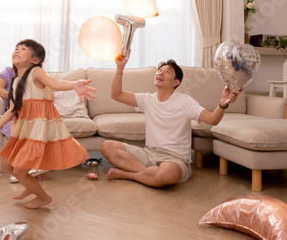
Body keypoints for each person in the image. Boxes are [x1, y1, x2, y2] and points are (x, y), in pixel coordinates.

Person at [0, 39, 96, 209]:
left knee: (20, 171)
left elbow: (56, 84)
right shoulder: (14, 82)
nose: (17, 50)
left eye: (23, 48)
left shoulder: (36, 72)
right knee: (6, 163)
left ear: (35, 60)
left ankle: (42, 197)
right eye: (16, 48)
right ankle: (30, 186)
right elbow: (13, 109)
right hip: (24, 130)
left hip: (39, 130)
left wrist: (74, 85)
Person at [101, 54, 242, 188]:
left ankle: (128, 175)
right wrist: (120, 68)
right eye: (159, 70)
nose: (160, 73)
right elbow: (116, 94)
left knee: (167, 174)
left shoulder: (185, 102)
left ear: (176, 82)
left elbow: (212, 120)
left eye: (167, 71)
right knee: (107, 147)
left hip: (175, 159)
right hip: (149, 153)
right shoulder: (147, 99)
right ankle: (149, 175)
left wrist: (223, 104)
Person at [0, 66, 52, 181]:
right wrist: (14, 96)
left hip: (35, 116)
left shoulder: (39, 74)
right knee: (17, 129)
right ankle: (22, 169)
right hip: (15, 115)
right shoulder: (8, 72)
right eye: (17, 50)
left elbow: (51, 97)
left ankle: (35, 168)